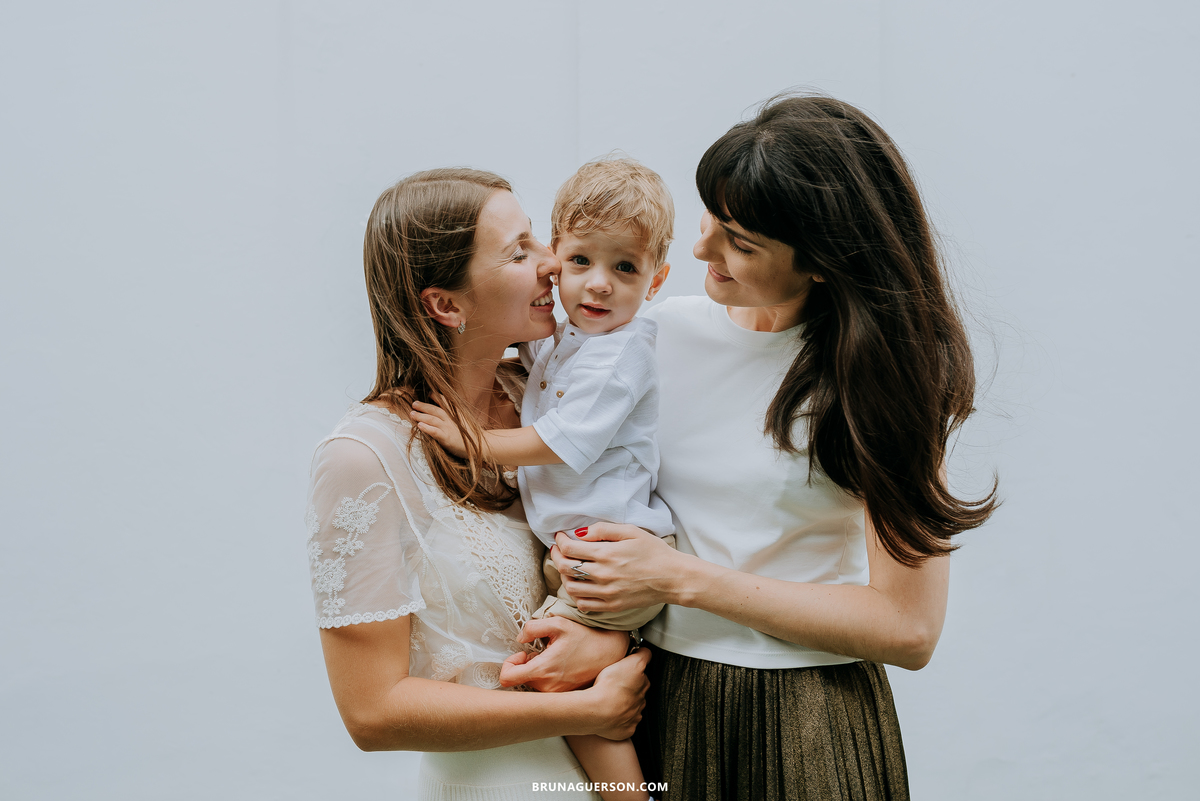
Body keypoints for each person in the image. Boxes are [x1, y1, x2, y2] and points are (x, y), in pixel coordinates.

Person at [544, 94, 999, 800]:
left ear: (822, 263)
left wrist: (678, 578)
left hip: (807, 722)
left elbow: (909, 628)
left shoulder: (881, 383)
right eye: (712, 220)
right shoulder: (649, 337)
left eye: (741, 243)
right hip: (655, 700)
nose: (700, 250)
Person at [305, 167, 651, 801]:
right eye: (520, 251)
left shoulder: (556, 397)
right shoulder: (364, 458)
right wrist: (583, 712)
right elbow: (371, 712)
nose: (553, 263)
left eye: (538, 240)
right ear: (447, 304)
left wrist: (610, 636)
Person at [412, 158, 677, 801]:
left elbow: (562, 442)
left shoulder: (620, 352)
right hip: (582, 550)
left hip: (610, 551)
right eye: (581, 261)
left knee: (547, 675)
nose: (599, 286)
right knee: (565, 674)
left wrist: (473, 439)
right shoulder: (567, 339)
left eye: (626, 268)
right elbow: (524, 358)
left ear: (658, 279)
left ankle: (629, 795)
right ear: (557, 258)